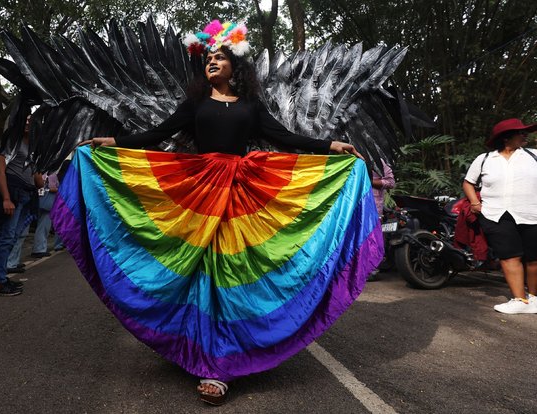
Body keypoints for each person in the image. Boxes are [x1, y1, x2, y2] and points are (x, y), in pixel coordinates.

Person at [68, 20, 376, 406]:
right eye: (209, 59)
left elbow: (286, 138)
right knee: (200, 276)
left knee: (230, 273)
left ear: (236, 67)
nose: (212, 63)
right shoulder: (195, 105)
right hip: (199, 192)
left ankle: (220, 364)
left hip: (240, 196)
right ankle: (203, 353)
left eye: (220, 58)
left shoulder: (250, 107)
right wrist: (113, 142)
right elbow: (155, 136)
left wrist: (330, 145)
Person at [463, 118, 537, 314]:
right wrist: (474, 203)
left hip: (531, 212)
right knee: (509, 255)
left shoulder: (534, 156)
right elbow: (468, 182)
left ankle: (534, 299)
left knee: (534, 258)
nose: (525, 135)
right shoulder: (485, 159)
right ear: (506, 138)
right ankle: (519, 299)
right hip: (496, 214)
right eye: (520, 132)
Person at [0, 118, 43, 296]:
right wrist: (6, 198)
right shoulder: (12, 142)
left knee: (12, 238)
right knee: (6, 237)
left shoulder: (34, 149)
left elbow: (38, 181)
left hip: (27, 197)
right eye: (25, 121)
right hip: (13, 195)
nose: (28, 124)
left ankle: (1, 278)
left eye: (32, 122)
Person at [368, 159, 395, 281]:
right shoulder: (352, 159)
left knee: (372, 240)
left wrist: (370, 181)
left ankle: (372, 270)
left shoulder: (379, 162)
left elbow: (390, 182)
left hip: (373, 207)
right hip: (354, 207)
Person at [31, 172, 59, 257]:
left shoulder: (41, 172)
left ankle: (39, 248)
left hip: (40, 201)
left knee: (41, 226)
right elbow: (51, 188)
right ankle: (39, 249)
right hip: (47, 203)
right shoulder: (51, 174)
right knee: (44, 227)